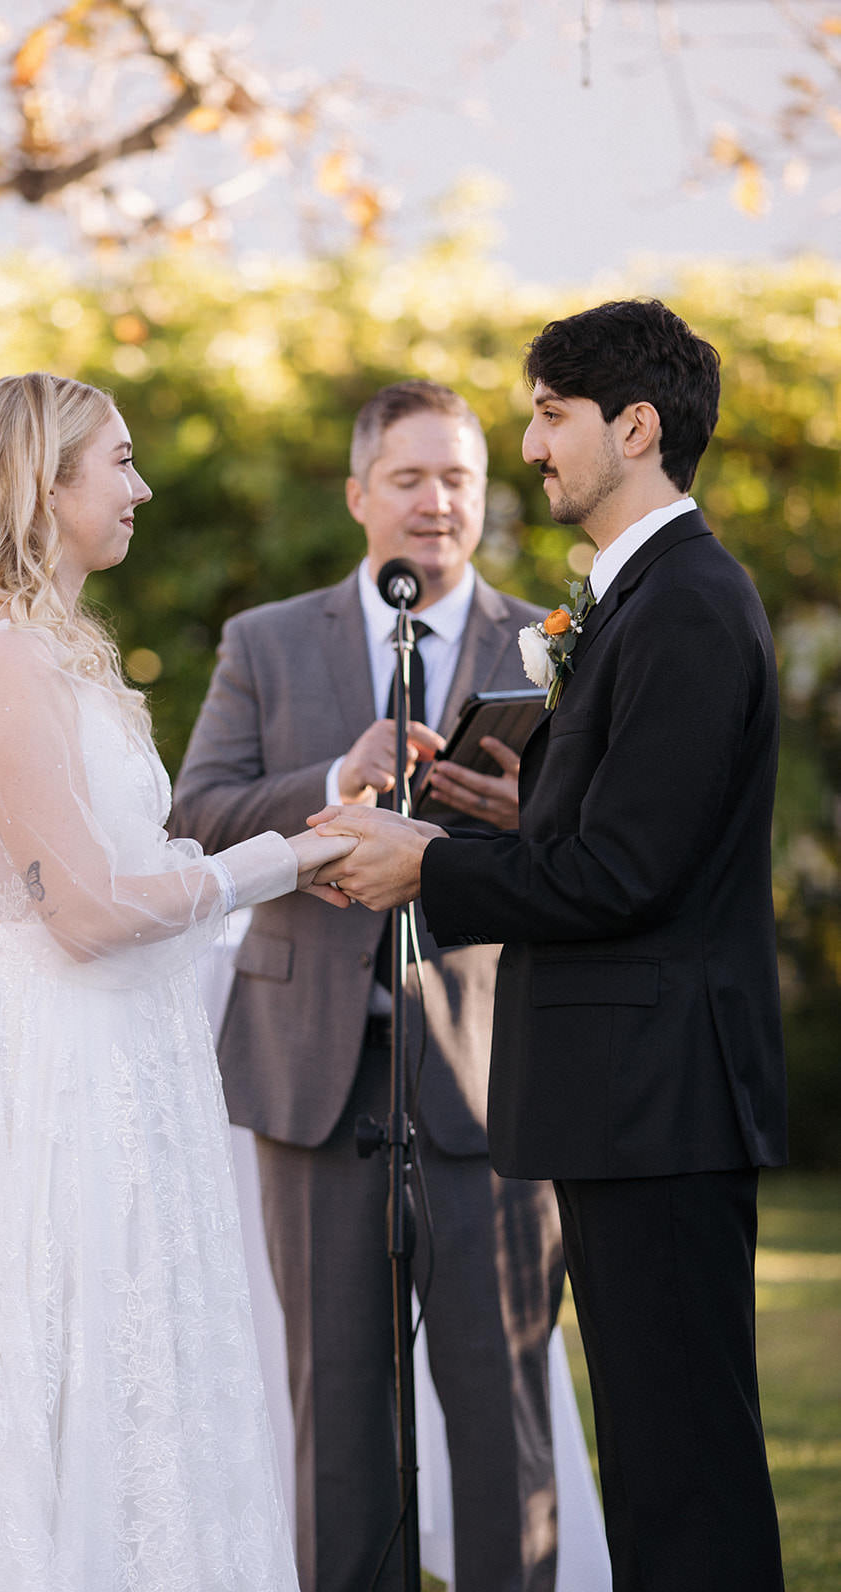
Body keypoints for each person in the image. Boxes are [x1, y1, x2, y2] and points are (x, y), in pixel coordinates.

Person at [0, 373, 356, 1591]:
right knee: (69, 1360)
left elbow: (117, 871)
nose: (141, 488)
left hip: (127, 1048)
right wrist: (281, 856)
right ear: (42, 486)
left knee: (145, 1363)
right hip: (60, 1065)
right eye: (117, 462)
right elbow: (93, 912)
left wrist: (236, 866)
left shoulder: (53, 652)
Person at [309, 303, 788, 1592]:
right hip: (625, 1100)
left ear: (631, 427)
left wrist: (429, 862)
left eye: (547, 414)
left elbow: (624, 878)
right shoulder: (639, 595)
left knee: (682, 1463)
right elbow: (628, 838)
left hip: (658, 1100)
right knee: (648, 1453)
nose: (528, 445)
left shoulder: (684, 603)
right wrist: (522, 813)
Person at [172, 380, 566, 1592]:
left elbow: (597, 852)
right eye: (409, 477)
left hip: (493, 1075)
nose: (436, 502)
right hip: (309, 1066)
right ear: (357, 495)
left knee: (501, 1411)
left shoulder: (549, 644)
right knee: (333, 1412)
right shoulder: (265, 641)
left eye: (458, 478)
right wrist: (329, 776)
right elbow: (190, 818)